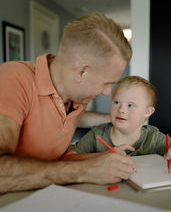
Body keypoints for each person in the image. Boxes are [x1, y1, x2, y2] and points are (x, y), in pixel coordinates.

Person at [0, 13, 135, 193]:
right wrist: (86, 170)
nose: (107, 92)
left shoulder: (76, 96)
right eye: (107, 83)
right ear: (82, 72)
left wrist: (103, 159)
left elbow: (57, 138)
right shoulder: (12, 78)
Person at [66, 76, 171, 167]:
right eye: (117, 102)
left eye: (130, 105)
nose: (121, 110)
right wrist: (102, 156)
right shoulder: (97, 135)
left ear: (147, 112)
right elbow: (68, 159)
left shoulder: (154, 139)